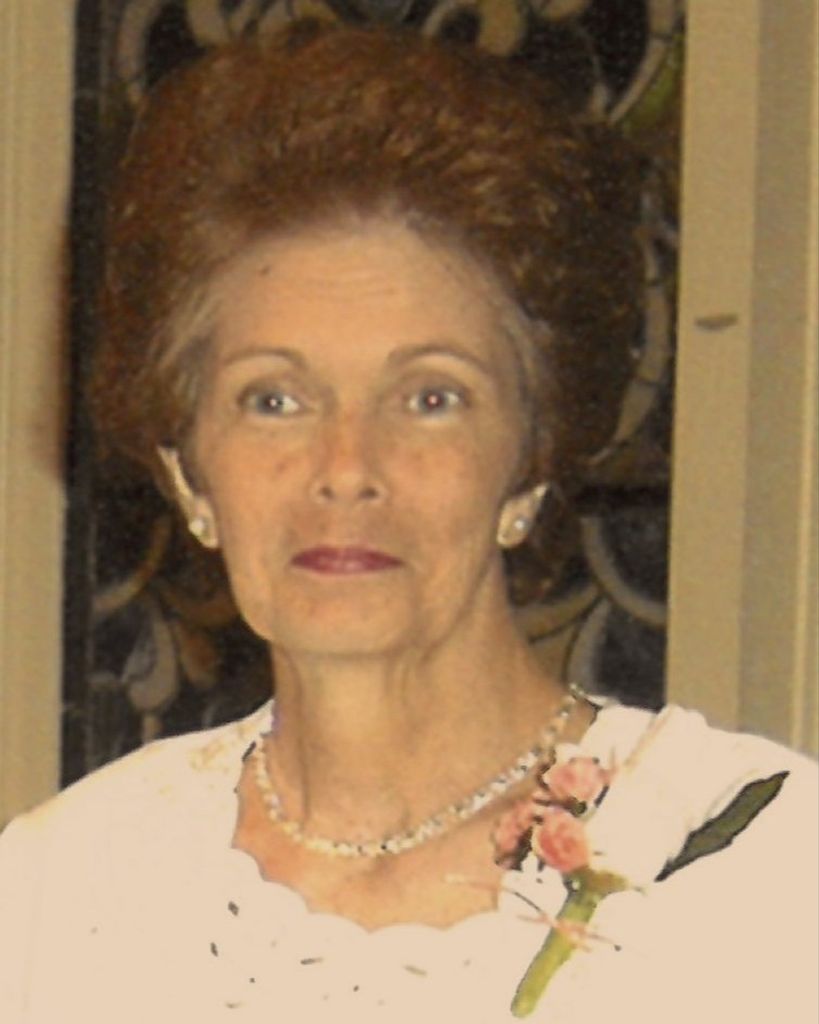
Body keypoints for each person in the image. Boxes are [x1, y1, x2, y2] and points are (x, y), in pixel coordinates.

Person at [0, 19, 815, 1024]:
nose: (347, 468)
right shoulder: (56, 899)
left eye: (431, 398)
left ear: (530, 460)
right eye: (273, 399)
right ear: (188, 472)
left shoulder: (761, 874)